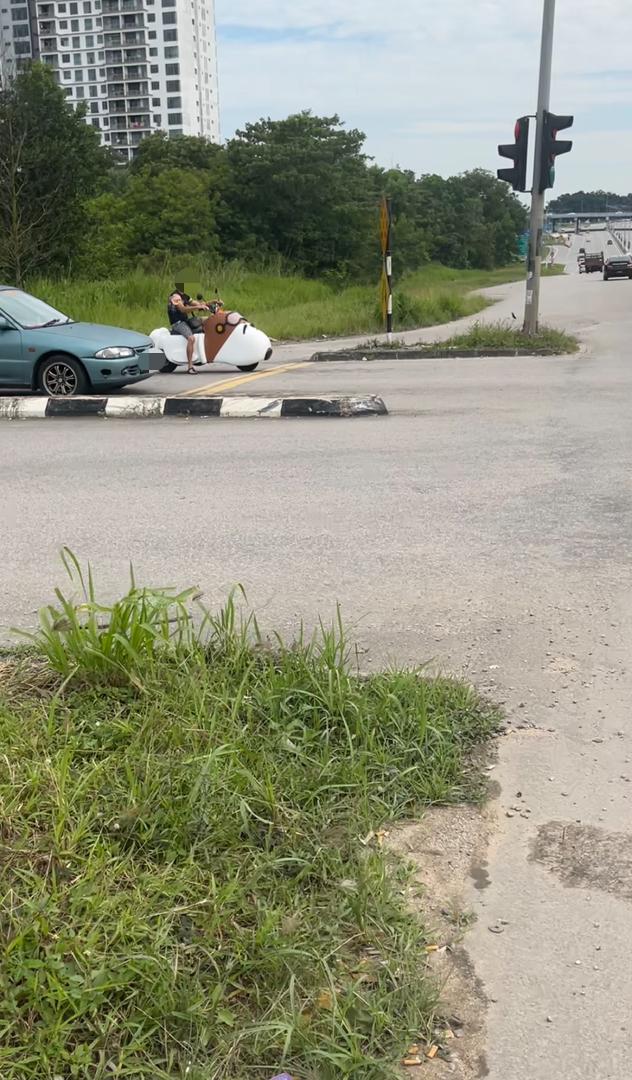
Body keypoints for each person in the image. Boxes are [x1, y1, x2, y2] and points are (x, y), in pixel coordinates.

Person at [166, 288, 210, 374]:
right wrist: (198, 307)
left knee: (208, 320)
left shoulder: (185, 296)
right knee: (191, 338)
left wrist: (213, 302)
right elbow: (183, 309)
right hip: (178, 323)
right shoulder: (175, 296)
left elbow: (198, 304)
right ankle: (190, 367)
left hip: (185, 321)